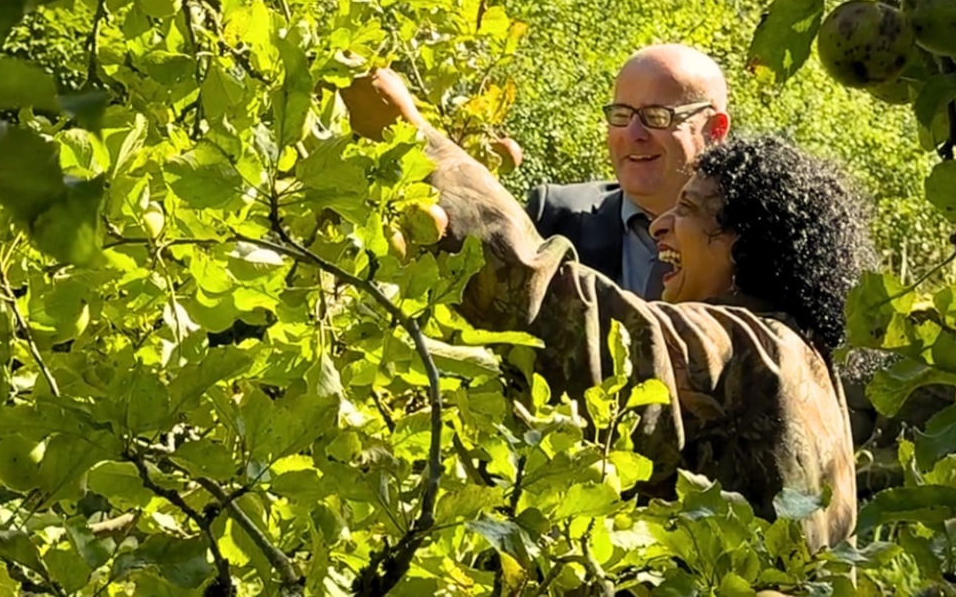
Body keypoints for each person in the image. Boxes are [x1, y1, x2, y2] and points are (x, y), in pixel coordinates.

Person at [343, 68, 865, 552]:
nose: (659, 226)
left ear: (742, 245)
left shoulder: (758, 351)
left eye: (686, 211)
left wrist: (415, 141)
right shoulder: (811, 368)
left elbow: (555, 310)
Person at [525, 44, 732, 300]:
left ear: (715, 130)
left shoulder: (750, 242)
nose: (633, 135)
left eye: (656, 117)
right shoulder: (555, 219)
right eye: (621, 115)